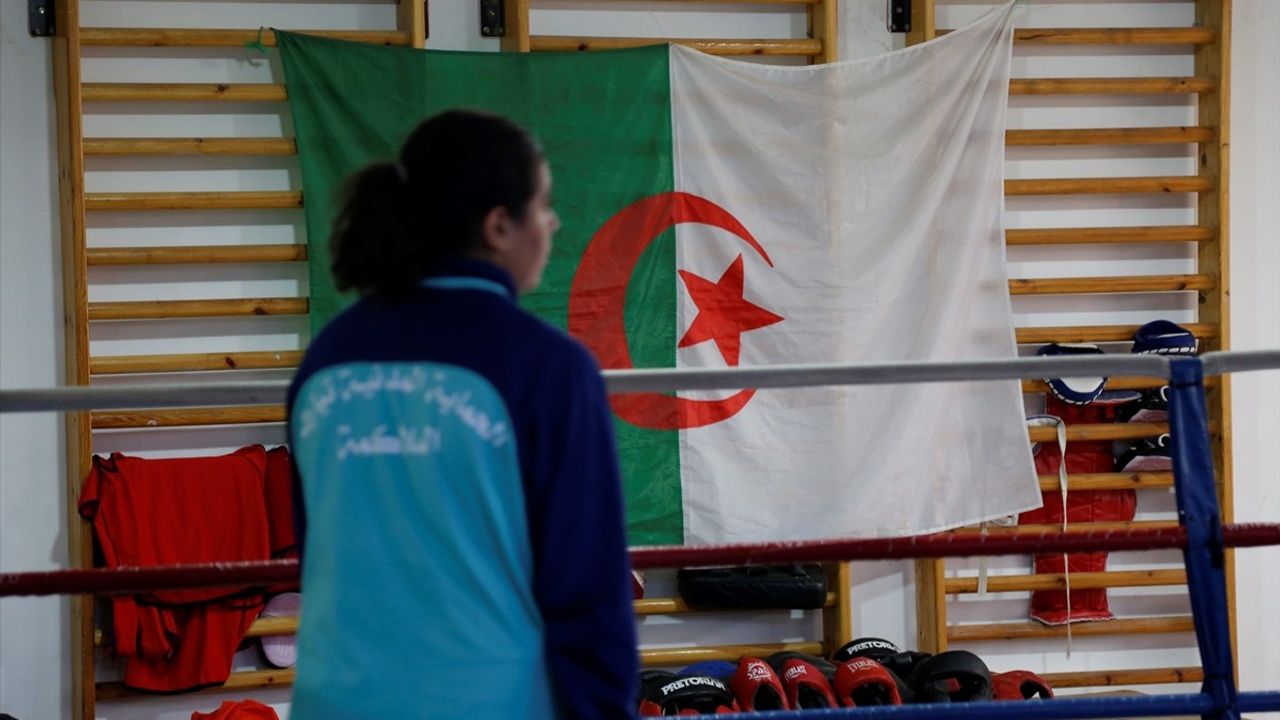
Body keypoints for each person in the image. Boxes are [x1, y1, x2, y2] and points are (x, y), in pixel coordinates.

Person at [286, 109, 638, 719]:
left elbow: (316, 553)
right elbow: (588, 591)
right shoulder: (549, 368)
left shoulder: (325, 360)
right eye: (544, 204)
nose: (552, 223)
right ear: (500, 224)